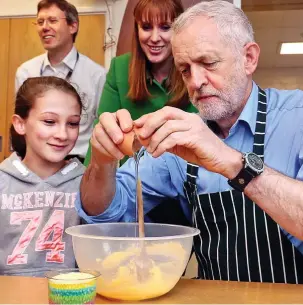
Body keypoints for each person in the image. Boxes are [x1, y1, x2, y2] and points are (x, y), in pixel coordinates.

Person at [76, 1, 303, 284]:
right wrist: (103, 163)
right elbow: (103, 216)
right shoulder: (181, 141)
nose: (196, 81)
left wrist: (231, 162)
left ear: (249, 58)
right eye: (185, 70)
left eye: (209, 63)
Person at [84, 0, 197, 166]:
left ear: (178, 30)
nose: (154, 38)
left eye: (165, 27)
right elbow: (101, 132)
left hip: (188, 178)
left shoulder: (195, 68)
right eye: (146, 27)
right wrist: (87, 186)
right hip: (133, 179)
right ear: (137, 30)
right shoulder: (120, 67)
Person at [0, 76, 85, 277]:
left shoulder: (87, 183)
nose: (63, 134)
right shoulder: (3, 182)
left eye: (73, 123)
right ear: (20, 124)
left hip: (71, 296)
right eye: (49, 121)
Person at [15, 0, 106, 163]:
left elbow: (101, 127)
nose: (44, 27)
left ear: (73, 26)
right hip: (35, 166)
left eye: (52, 20)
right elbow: (21, 127)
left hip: (79, 165)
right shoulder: (26, 72)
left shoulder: (96, 75)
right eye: (40, 21)